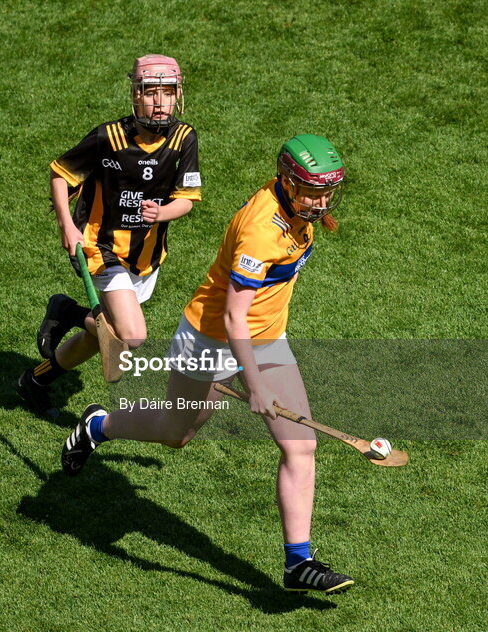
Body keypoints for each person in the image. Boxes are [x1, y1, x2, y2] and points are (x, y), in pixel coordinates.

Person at [59, 134, 354, 594]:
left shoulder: (297, 209)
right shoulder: (262, 228)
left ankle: (298, 562)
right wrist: (253, 385)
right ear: (285, 179)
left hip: (268, 339)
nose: (318, 201)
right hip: (211, 337)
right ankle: (99, 426)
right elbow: (235, 314)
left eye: (325, 191)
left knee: (301, 445)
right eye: (310, 190)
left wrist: (260, 363)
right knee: (178, 433)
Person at [18, 54, 202, 417]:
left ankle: (36, 377)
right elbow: (60, 174)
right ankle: (70, 313)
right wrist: (66, 225)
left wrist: (162, 212)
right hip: (101, 248)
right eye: (151, 92)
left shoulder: (184, 137)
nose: (160, 101)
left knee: (99, 335)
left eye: (168, 92)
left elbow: (188, 199)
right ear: (136, 95)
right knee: (130, 336)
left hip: (147, 256)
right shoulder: (108, 137)